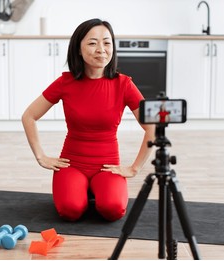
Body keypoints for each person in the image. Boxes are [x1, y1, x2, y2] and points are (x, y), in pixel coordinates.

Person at [22, 18, 154, 222]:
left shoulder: (124, 84)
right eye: (92, 43)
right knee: (70, 210)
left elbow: (152, 126)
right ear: (78, 49)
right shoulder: (65, 82)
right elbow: (29, 116)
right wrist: (41, 156)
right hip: (72, 163)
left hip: (108, 166)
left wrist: (134, 168)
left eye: (107, 42)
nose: (101, 49)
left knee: (113, 210)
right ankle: (83, 191)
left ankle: (96, 191)